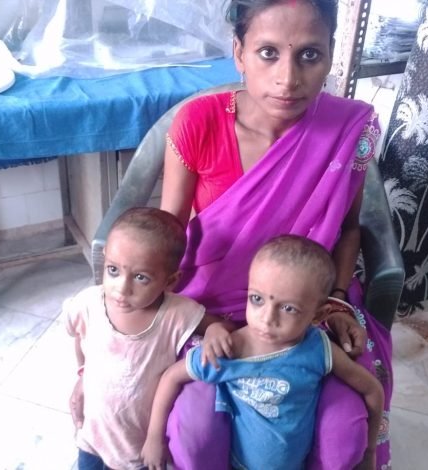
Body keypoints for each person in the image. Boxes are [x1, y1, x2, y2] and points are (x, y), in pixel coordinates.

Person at [159, 0, 392, 468]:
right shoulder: (199, 123)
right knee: (196, 434)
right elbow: (165, 243)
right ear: (239, 52)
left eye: (309, 55)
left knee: (343, 435)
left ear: (330, 55)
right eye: (268, 52)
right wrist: (203, 324)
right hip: (210, 314)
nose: (288, 78)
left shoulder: (346, 128)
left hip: (306, 309)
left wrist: (336, 303)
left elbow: (347, 228)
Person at [142, 236, 384, 470]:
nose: (267, 319)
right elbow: (171, 377)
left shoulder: (318, 349)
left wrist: (370, 451)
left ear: (318, 315)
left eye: (288, 308)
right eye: (257, 299)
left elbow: (372, 389)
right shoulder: (230, 349)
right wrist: (154, 438)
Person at [64, 207, 227, 470]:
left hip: (137, 448)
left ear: (170, 281)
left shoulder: (177, 313)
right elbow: (79, 338)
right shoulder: (88, 304)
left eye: (141, 277)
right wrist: (82, 374)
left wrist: (215, 330)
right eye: (113, 270)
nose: (122, 288)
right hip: (92, 437)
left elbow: (218, 325)